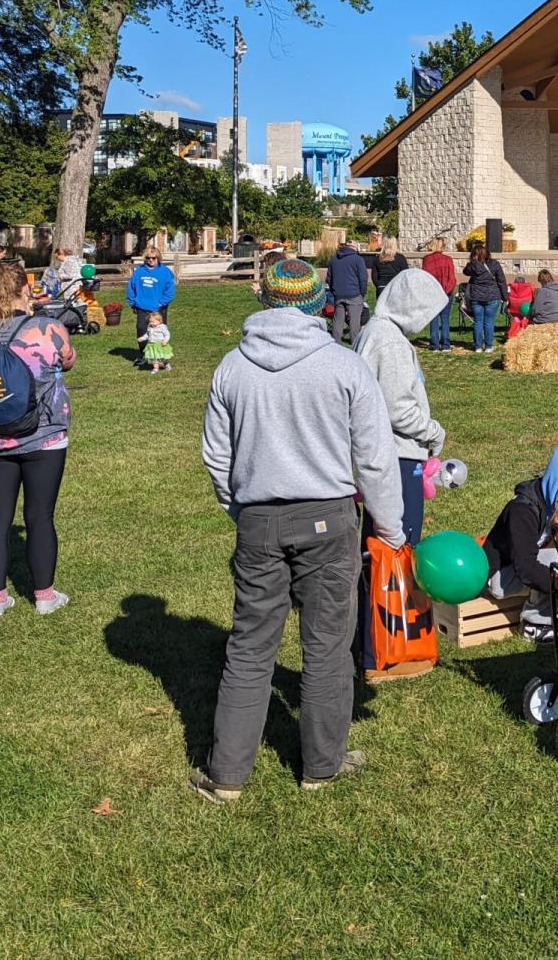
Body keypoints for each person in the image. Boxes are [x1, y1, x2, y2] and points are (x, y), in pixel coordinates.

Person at [191, 258, 402, 801]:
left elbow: (218, 456)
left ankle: (228, 775)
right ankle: (321, 766)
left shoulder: (232, 368)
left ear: (266, 299)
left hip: (260, 520)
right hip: (328, 521)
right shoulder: (344, 365)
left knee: (250, 646)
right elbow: (375, 458)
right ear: (316, 301)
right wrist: (391, 526)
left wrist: (238, 507)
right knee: (328, 647)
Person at [0, 259, 77, 618]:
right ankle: (44, 595)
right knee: (40, 516)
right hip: (44, 433)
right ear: (24, 290)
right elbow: (68, 360)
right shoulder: (48, 327)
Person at [354, 268, 448, 559]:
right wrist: (433, 432)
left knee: (380, 539)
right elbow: (398, 408)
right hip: (398, 455)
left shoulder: (376, 332)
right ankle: (392, 602)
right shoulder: (389, 342)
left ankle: (373, 600)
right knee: (399, 543)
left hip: (386, 453)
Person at [481, 445, 558, 642]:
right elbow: (525, 566)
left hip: (533, 568)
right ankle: (535, 624)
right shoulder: (522, 509)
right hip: (502, 576)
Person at [126, 249, 177, 364]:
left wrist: (161, 303)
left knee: (159, 332)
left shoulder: (165, 272)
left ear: (158, 258)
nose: (150, 260)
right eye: (148, 258)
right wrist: (132, 302)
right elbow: (131, 287)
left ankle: (161, 357)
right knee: (141, 330)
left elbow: (170, 291)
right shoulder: (139, 271)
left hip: (159, 308)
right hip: (142, 307)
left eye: (153, 258)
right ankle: (144, 355)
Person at [461, 242, 507, 353]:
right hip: (492, 296)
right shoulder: (495, 264)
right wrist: (505, 296)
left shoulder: (473, 265)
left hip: (476, 296)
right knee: (489, 322)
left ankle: (477, 346)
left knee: (478, 321)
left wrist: (473, 261)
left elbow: (465, 271)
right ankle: (488, 346)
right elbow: (501, 280)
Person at [327, 239, 369, 347]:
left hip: (338, 294)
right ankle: (356, 346)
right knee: (354, 322)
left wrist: (334, 291)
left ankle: (336, 345)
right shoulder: (358, 259)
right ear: (355, 248)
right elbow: (363, 279)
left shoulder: (334, 259)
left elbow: (329, 278)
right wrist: (362, 293)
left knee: (337, 321)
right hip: (354, 294)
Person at [420, 237, 457, 351]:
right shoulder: (448, 259)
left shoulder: (427, 259)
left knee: (434, 318)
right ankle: (445, 344)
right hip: (446, 292)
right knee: (445, 318)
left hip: (433, 293)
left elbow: (425, 278)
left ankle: (434, 344)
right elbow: (452, 278)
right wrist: (447, 291)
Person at [505, 268, 535, 340]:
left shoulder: (510, 287)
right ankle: (523, 327)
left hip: (512, 311)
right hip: (526, 310)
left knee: (516, 317)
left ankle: (514, 328)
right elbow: (533, 298)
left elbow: (506, 298)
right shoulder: (529, 287)